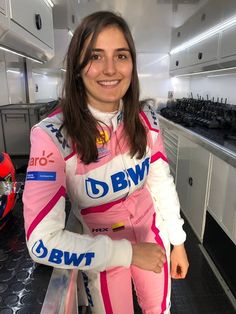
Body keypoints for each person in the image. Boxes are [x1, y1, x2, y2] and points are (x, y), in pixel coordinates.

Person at [23, 11, 189, 314]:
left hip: (153, 240)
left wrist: (178, 241)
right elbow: (41, 242)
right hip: (102, 253)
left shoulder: (146, 118)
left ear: (132, 64)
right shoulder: (51, 136)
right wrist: (127, 254)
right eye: (95, 56)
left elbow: (161, 183)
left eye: (121, 56)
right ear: (77, 67)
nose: (110, 69)